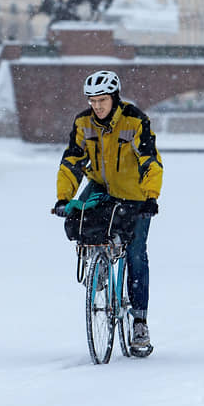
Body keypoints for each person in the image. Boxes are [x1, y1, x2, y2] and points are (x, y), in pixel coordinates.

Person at [53, 70, 163, 349]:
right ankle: (99, 267)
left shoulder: (135, 121)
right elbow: (72, 161)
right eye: (92, 101)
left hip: (134, 195)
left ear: (114, 98)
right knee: (81, 221)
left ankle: (139, 323)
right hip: (101, 188)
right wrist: (64, 198)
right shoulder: (83, 123)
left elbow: (150, 160)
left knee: (136, 252)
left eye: (102, 100)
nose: (97, 106)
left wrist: (151, 196)